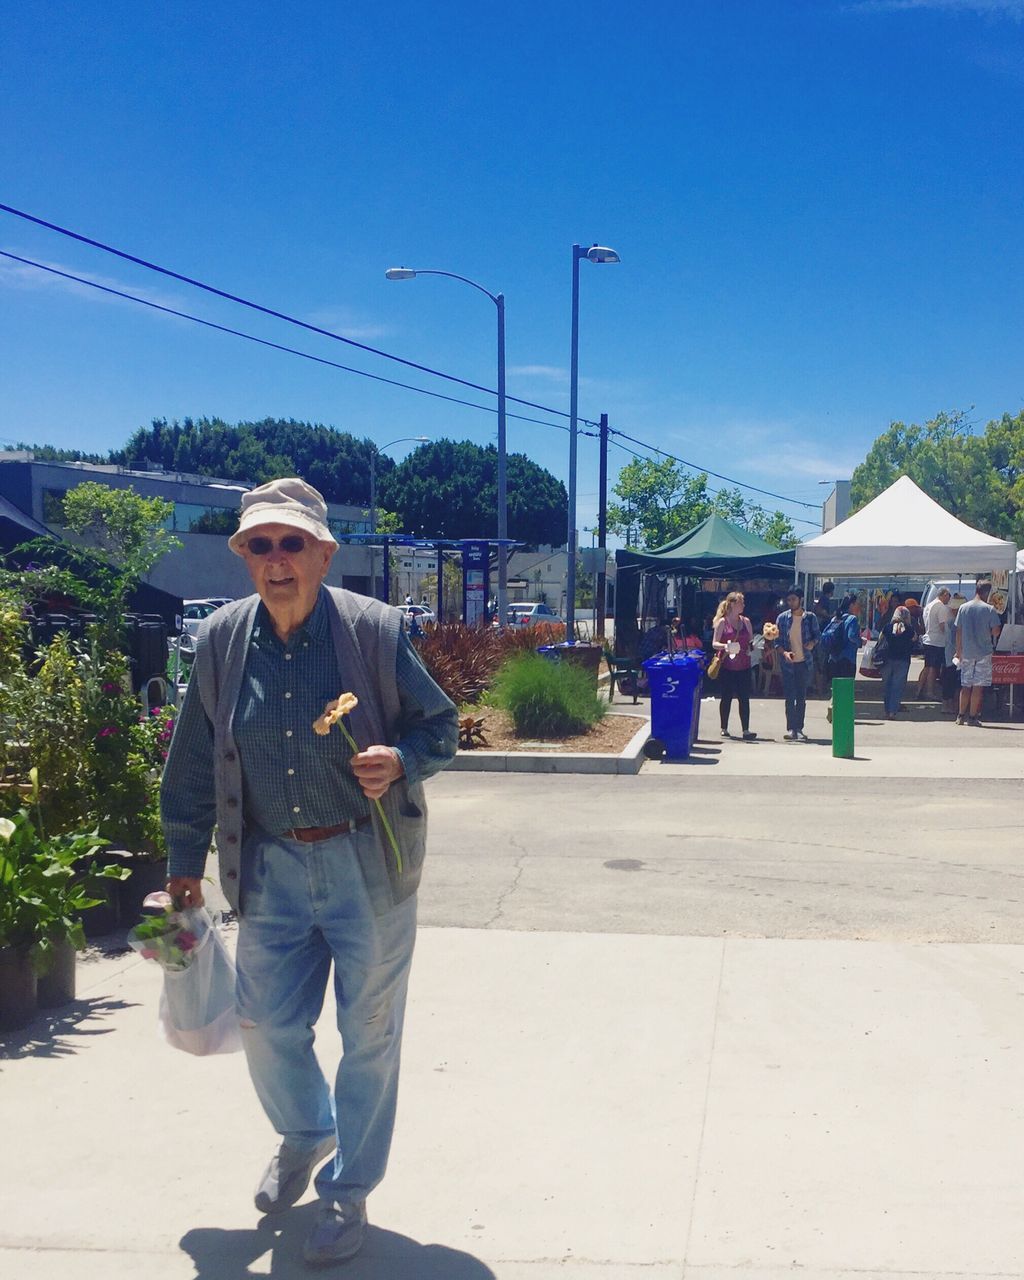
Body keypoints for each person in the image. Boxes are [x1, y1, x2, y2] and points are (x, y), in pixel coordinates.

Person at [161, 478, 458, 1266]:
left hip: (366, 861)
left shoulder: (375, 630)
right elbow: (192, 761)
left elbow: (442, 727)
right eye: (260, 545)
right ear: (244, 557)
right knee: (265, 1026)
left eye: (292, 543)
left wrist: (399, 759)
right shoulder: (223, 640)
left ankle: (348, 1191)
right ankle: (305, 1131)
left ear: (324, 553)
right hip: (271, 864)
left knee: (369, 1035)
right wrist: (183, 865)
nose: (277, 560)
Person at [773, 584, 821, 741]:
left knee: (801, 697)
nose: (790, 602)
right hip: (788, 663)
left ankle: (799, 728)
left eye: (793, 599)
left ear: (800, 600)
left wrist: (812, 644)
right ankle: (791, 729)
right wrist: (784, 653)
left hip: (804, 662)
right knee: (789, 697)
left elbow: (818, 636)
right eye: (788, 600)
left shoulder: (810, 618)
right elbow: (777, 642)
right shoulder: (782, 618)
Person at [955, 579, 1002, 726]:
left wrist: (958, 651)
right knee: (978, 686)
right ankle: (973, 717)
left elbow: (958, 631)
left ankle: (960, 715)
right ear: (987, 593)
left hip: (967, 651)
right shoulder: (989, 609)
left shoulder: (963, 607)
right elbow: (996, 631)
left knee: (965, 685)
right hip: (983, 652)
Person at [712, 591, 757, 740]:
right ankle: (724, 727)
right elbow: (714, 643)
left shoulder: (746, 622)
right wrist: (726, 646)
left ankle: (746, 729)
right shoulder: (722, 623)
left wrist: (753, 647)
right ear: (732, 604)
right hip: (727, 665)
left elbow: (751, 642)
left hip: (744, 663)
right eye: (740, 602)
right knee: (727, 696)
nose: (743, 605)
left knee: (744, 697)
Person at [878, 604, 915, 719]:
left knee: (887, 685)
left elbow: (880, 640)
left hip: (887, 659)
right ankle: (892, 712)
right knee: (897, 686)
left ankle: (886, 710)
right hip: (903, 660)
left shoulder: (887, 627)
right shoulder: (909, 630)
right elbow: (915, 641)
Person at [916, 588, 951, 700]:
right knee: (933, 667)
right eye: (948, 597)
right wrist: (950, 635)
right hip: (937, 641)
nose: (949, 600)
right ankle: (930, 692)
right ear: (944, 595)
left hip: (928, 638)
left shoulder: (929, 605)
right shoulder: (941, 607)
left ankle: (919, 690)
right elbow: (942, 626)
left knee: (927, 666)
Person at [941, 596, 965, 714]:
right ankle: (950, 706)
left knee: (949, 682)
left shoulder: (951, 621)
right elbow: (955, 640)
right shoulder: (954, 623)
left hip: (950, 655)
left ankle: (949, 705)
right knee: (953, 682)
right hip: (954, 656)